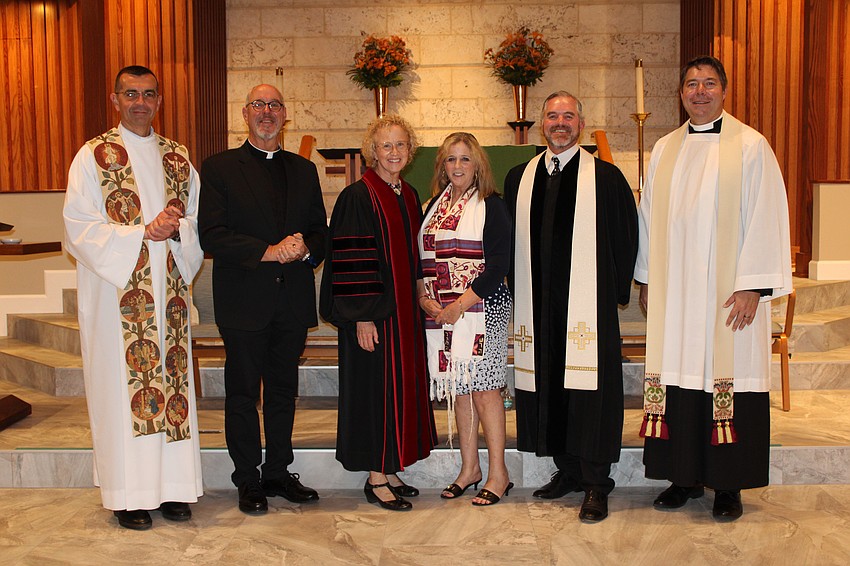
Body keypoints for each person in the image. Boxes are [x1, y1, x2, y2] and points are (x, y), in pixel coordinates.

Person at [635, 56, 792, 521]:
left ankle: (728, 487)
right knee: (679, 375)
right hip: (678, 296)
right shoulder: (665, 148)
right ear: (681, 93)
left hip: (729, 297)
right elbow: (649, 220)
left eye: (708, 84)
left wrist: (753, 287)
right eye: (691, 84)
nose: (699, 92)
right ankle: (681, 478)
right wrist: (648, 278)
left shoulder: (751, 145)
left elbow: (767, 216)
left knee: (725, 379)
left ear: (724, 90)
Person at [64, 65, 204, 530]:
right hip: (118, 298)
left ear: (159, 100)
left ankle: (173, 491)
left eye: (148, 94)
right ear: (115, 99)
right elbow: (78, 228)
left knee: (173, 390)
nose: (140, 102)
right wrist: (142, 233)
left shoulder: (178, 158)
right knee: (124, 393)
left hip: (170, 298)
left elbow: (196, 226)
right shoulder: (93, 156)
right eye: (130, 94)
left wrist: (175, 230)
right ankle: (129, 496)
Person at [504, 91, 638, 522]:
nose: (559, 123)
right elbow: (508, 242)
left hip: (587, 310)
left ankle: (596, 482)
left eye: (568, 116)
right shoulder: (519, 179)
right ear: (542, 123)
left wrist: (614, 292)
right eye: (552, 116)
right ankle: (567, 470)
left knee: (590, 394)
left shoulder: (606, 177)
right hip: (538, 309)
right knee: (547, 386)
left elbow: (625, 237)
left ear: (581, 124)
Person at [198, 84, 327, 514]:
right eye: (258, 105)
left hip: (290, 301)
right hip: (243, 303)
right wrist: (268, 252)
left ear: (285, 114)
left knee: (282, 392)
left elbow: (320, 232)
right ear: (245, 114)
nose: (266, 112)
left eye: (274, 105)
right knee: (241, 395)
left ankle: (277, 471)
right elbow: (212, 235)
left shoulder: (303, 170)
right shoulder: (218, 168)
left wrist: (305, 249)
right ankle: (247, 477)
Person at [320, 115, 437, 512]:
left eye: (400, 145)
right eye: (385, 146)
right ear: (372, 151)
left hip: (403, 315)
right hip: (373, 315)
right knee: (374, 391)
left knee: (397, 389)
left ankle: (390, 467)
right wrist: (362, 316)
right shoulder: (359, 195)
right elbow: (353, 260)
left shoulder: (407, 194)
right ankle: (374, 476)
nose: (393, 152)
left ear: (410, 150)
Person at [417, 132, 513, 506]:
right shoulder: (432, 207)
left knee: (485, 390)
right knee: (458, 387)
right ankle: (469, 468)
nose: (457, 166)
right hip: (441, 311)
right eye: (450, 159)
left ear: (478, 166)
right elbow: (418, 261)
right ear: (442, 166)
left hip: (482, 308)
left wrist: (460, 305)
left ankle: (499, 474)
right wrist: (423, 296)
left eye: (465, 159)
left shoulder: (492, 206)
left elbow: (498, 267)